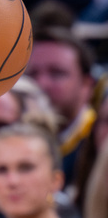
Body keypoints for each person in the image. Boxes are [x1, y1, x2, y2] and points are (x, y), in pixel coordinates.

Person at [26, 25, 97, 186]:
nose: (41, 84)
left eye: (57, 73)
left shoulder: (100, 140)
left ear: (87, 85)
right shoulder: (4, 138)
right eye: (32, 74)